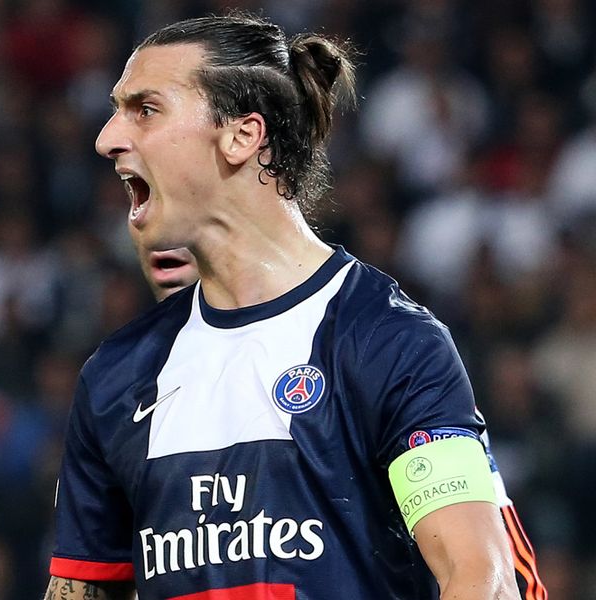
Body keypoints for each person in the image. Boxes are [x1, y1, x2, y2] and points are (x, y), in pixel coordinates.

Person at [46, 13, 526, 599]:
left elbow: (484, 580)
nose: (107, 139)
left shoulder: (387, 340)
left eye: (145, 110)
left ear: (242, 136)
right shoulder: (115, 377)